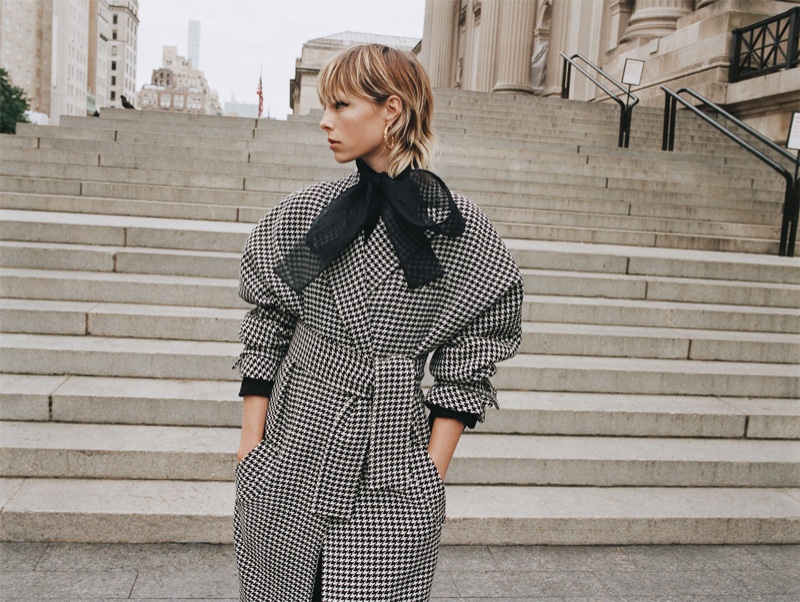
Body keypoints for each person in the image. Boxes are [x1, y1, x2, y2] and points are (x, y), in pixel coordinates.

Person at [233, 44, 523, 602]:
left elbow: (475, 350)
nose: (324, 121)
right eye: (325, 106)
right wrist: (252, 444)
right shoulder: (305, 212)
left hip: (394, 456)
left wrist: (429, 477)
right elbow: (267, 321)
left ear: (391, 110)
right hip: (291, 445)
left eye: (341, 105)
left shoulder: (454, 227)